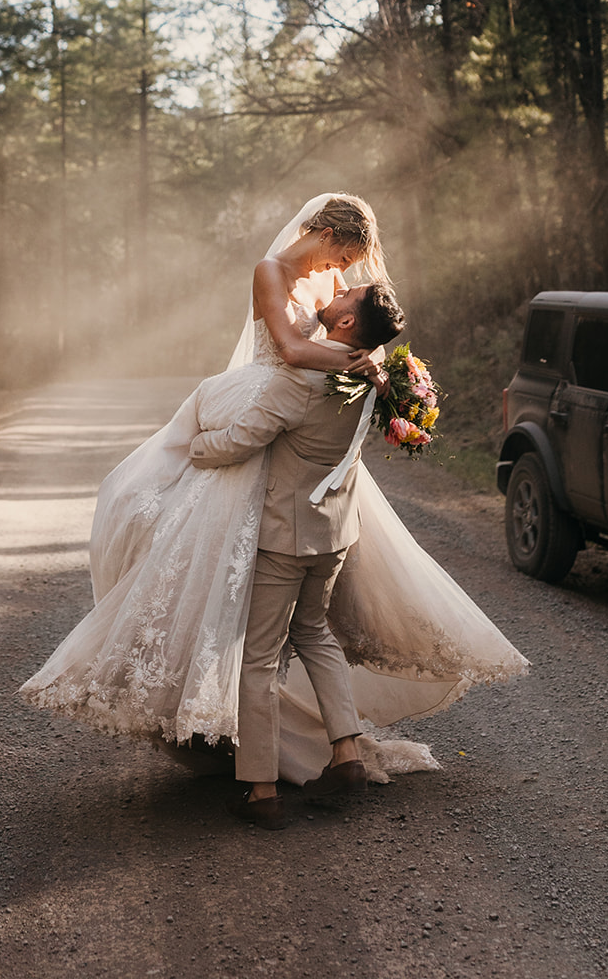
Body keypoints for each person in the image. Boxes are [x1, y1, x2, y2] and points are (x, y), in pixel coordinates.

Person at [19, 193, 528, 790]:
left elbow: (359, 330)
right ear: (324, 233)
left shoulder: (333, 284)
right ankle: (245, 723)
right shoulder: (271, 272)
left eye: (347, 264)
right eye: (341, 256)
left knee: (291, 623)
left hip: (297, 427)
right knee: (201, 557)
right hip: (269, 400)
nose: (340, 271)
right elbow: (288, 349)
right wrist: (357, 364)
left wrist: (376, 369)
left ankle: (265, 778)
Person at [187, 282, 407, 829]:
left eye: (348, 294)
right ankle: (347, 754)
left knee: (259, 656)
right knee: (313, 632)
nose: (338, 290)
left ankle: (260, 791)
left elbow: (243, 438)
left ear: (348, 323)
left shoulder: (301, 380)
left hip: (285, 536)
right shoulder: (372, 375)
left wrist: (193, 447)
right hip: (334, 533)